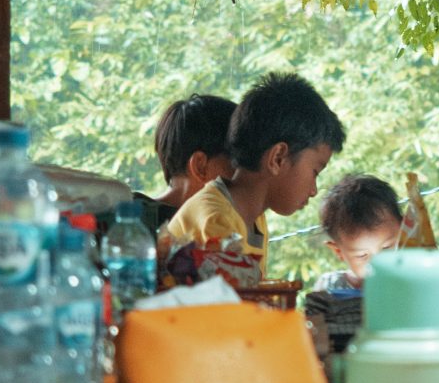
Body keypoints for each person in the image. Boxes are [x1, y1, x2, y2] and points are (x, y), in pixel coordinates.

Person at [167, 72, 345, 276]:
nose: (314, 190)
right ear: (278, 158)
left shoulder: (254, 218)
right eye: (315, 172)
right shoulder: (216, 220)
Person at [134, 94, 237, 232]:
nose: (247, 176)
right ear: (200, 166)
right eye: (238, 163)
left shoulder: (223, 224)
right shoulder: (133, 225)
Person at [315, 174, 403, 291]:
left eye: (386, 248)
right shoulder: (331, 287)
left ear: (405, 231)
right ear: (339, 251)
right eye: (362, 255)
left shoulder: (416, 280)